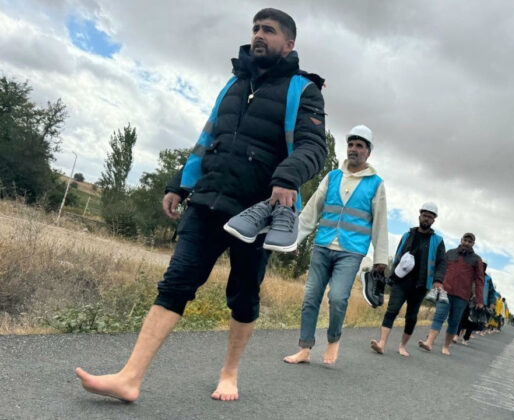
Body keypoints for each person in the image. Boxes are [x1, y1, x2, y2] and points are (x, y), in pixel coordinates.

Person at [75, 8, 327, 402]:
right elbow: (208, 137)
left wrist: (287, 176)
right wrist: (180, 183)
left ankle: (229, 373)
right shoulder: (233, 84)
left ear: (289, 44)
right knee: (176, 283)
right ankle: (130, 377)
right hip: (208, 201)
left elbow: (315, 149)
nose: (259, 35)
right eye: (256, 28)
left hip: (255, 215)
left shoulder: (303, 90)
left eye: (269, 30)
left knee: (244, 296)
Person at [284, 125, 388, 366]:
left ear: (368, 152)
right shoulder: (332, 176)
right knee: (310, 298)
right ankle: (305, 348)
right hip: (322, 245)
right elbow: (311, 211)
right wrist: (293, 240)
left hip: (351, 252)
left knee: (339, 298)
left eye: (359, 146)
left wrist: (381, 257)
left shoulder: (376, 183)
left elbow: (380, 222)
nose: (353, 149)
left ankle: (332, 341)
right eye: (351, 144)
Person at [369, 202, 446, 357]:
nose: (426, 219)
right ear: (419, 216)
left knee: (411, 316)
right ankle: (382, 343)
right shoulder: (407, 235)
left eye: (430, 217)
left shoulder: (437, 241)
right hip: (401, 281)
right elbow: (397, 256)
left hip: (421, 284)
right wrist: (391, 276)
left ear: (433, 221)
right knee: (392, 310)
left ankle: (402, 346)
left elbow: (441, 263)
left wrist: (437, 280)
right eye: (425, 215)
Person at [418, 233, 484, 356]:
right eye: (465, 240)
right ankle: (429, 342)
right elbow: (441, 269)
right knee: (439, 316)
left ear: (473, 244)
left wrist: (479, 300)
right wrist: (437, 282)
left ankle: (446, 346)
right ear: (461, 240)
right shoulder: (450, 253)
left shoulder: (476, 260)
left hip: (462, 296)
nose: (467, 243)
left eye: (470, 241)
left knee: (454, 321)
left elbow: (480, 280)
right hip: (445, 291)